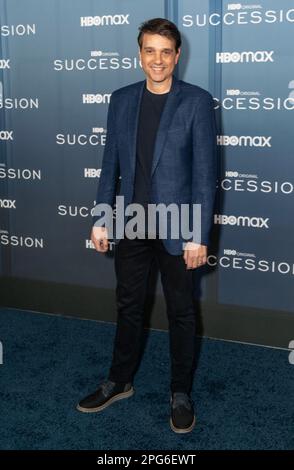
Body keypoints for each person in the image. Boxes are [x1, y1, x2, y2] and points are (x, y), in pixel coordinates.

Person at [77, 18, 217, 434]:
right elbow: (109, 165)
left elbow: (206, 174)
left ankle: (180, 392)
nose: (157, 59)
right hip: (133, 222)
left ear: (177, 55)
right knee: (128, 306)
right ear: (139, 53)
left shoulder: (196, 101)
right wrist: (103, 217)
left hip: (178, 226)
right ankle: (119, 381)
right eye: (149, 50)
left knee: (181, 312)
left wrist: (198, 234)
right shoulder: (121, 100)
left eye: (165, 51)